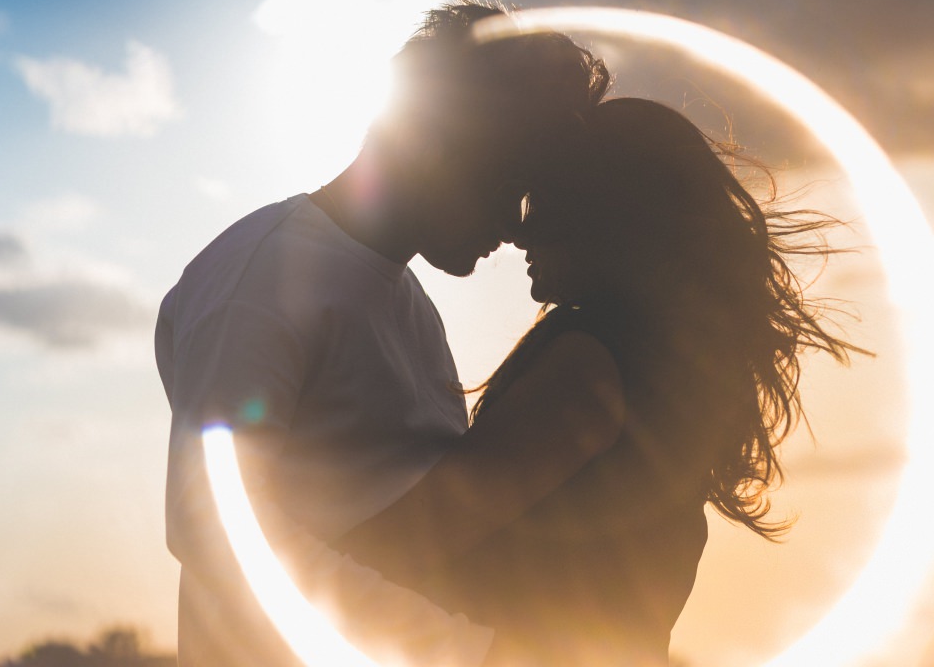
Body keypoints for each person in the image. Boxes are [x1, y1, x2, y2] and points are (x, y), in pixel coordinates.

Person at [154, 0, 610, 666]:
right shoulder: (261, 279)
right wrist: (471, 652)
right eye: (511, 181)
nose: (517, 227)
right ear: (445, 143)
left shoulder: (407, 300)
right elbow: (215, 527)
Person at [335, 93, 867, 664]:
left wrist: (270, 551)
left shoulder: (588, 367)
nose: (520, 232)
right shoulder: (669, 367)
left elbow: (407, 545)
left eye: (544, 203)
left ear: (606, 213)